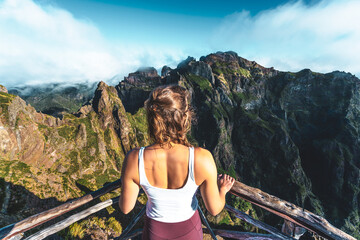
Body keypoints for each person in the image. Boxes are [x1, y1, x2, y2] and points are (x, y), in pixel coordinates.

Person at [119, 85, 235, 240]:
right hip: (189, 231)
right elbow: (214, 209)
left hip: (154, 232)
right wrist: (222, 190)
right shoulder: (202, 158)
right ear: (184, 118)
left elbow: (126, 208)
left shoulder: (134, 158)